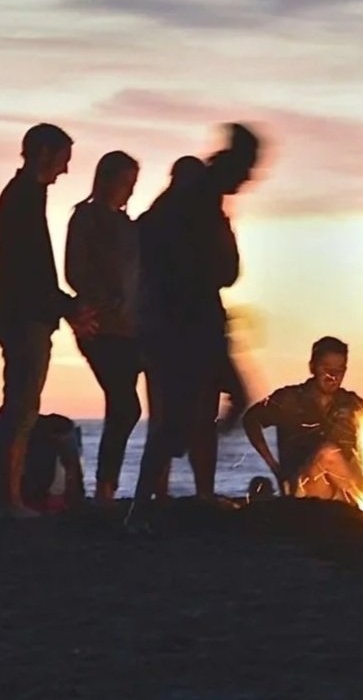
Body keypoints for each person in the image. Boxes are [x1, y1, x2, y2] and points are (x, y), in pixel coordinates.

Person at [128, 124, 262, 529]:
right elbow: (220, 269)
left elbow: (222, 269)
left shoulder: (188, 206)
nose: (250, 179)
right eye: (248, 169)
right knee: (182, 417)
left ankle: (158, 497)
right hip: (184, 324)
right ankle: (143, 507)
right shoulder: (197, 201)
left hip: (185, 322)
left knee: (206, 409)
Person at [0, 124, 98, 516]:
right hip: (24, 317)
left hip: (24, 314)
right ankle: (8, 499)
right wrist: (67, 306)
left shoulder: (25, 196)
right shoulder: (23, 198)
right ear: (44, 153)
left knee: (20, 406)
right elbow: (30, 270)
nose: (64, 171)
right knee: (22, 408)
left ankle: (7, 494)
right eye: (62, 160)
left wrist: (63, 306)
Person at [64, 150, 142, 502]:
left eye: (132, 184)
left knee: (125, 405)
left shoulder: (128, 226)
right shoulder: (86, 217)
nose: (128, 191)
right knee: (125, 405)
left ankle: (109, 487)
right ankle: (105, 488)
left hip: (131, 326)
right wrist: (103, 296)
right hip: (100, 326)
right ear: (107, 180)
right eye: (125, 183)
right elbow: (74, 269)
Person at [243, 337, 363, 503]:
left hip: (343, 489)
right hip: (305, 489)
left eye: (340, 370)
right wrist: (275, 467)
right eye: (327, 369)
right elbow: (251, 419)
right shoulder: (290, 399)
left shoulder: (351, 402)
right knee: (328, 455)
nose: (333, 376)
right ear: (312, 367)